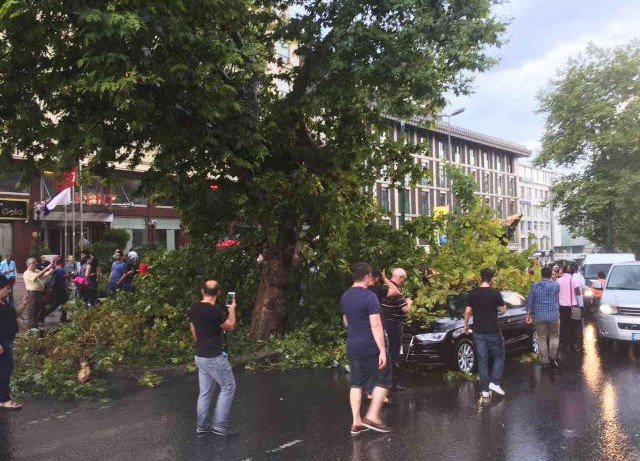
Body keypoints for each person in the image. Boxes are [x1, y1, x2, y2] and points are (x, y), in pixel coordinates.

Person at [341, 262, 392, 436]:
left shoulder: (346, 296)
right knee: (384, 380)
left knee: (356, 383)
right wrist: (382, 350)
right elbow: (376, 325)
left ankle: (356, 422)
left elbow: (346, 321)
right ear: (366, 277)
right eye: (371, 276)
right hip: (370, 346)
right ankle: (372, 416)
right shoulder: (369, 296)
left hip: (353, 345)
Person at [188, 280, 238, 437]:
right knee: (228, 387)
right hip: (214, 356)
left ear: (202, 291)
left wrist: (201, 343)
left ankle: (202, 427)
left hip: (200, 355)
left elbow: (193, 330)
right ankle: (220, 426)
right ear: (219, 293)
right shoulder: (214, 311)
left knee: (205, 392)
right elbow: (230, 326)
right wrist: (232, 309)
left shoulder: (194, 308)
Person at [464, 268, 507, 399]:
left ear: (481, 277)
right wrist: (498, 310)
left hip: (478, 330)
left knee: (482, 359)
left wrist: (466, 325)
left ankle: (484, 390)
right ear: (492, 279)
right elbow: (503, 310)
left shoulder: (472, 293)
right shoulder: (495, 293)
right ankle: (495, 382)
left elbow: (467, 311)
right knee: (499, 356)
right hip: (493, 330)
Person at [365, 269, 400, 402]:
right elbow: (395, 291)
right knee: (385, 359)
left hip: (364, 330)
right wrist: (386, 278)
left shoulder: (359, 291)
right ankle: (380, 394)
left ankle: (370, 392)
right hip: (377, 328)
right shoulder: (376, 290)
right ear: (376, 278)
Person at [380, 268, 412, 390]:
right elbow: (405, 309)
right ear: (400, 277)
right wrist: (409, 302)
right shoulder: (395, 290)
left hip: (384, 323)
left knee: (386, 352)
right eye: (404, 279)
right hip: (394, 324)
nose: (404, 281)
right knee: (393, 353)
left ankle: (385, 381)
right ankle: (391, 383)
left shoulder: (384, 287)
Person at [526, 266, 561, 368]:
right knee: (554, 336)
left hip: (539, 316)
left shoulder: (535, 286)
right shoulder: (556, 286)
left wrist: (529, 314)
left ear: (541, 275)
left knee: (541, 338)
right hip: (553, 315)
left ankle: (544, 361)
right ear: (551, 275)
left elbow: (530, 301)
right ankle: (553, 357)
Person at [0, 277, 21, 410]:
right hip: (2, 342)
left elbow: (14, 315)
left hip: (7, 340)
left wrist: (23, 305)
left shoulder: (4, 302)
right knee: (5, 370)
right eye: (7, 288)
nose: (9, 290)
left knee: (4, 369)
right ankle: (4, 399)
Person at [21, 257, 54, 330]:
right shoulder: (27, 273)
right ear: (29, 264)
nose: (36, 264)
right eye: (34, 263)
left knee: (38, 309)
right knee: (32, 310)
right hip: (32, 294)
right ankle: (31, 328)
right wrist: (47, 268)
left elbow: (44, 275)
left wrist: (51, 269)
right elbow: (37, 276)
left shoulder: (36, 270)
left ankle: (35, 326)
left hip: (39, 293)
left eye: (36, 262)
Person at [557, 265, 581, 352]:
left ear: (563, 271)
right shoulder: (573, 280)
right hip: (573, 306)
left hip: (562, 307)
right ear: (572, 272)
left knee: (565, 326)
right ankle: (575, 345)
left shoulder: (558, 280)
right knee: (575, 327)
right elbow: (578, 293)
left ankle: (566, 344)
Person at [43, 258, 69, 323]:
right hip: (60, 289)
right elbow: (64, 279)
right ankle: (42, 315)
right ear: (61, 264)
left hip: (54, 289)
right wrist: (66, 276)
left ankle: (63, 318)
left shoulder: (55, 270)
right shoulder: (61, 270)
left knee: (61, 304)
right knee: (56, 304)